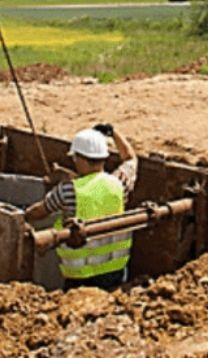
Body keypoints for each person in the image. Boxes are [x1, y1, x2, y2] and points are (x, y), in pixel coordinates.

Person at [25, 123, 137, 290]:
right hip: (115, 271)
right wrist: (113, 133)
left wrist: (23, 215)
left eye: (75, 158)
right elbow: (131, 158)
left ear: (80, 159)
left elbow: (40, 211)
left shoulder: (68, 190)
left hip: (80, 276)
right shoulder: (120, 183)